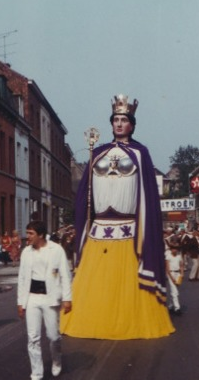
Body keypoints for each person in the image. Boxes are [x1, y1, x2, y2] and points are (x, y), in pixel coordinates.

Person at [61, 95, 174, 340]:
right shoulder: (98, 153)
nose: (119, 124)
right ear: (111, 124)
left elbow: (147, 195)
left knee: (126, 287)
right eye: (116, 120)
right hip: (100, 229)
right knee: (96, 285)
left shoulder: (140, 153)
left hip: (129, 230)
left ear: (132, 125)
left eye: (124, 120)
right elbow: (84, 193)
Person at [17, 220, 73, 380]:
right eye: (27, 233)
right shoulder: (26, 252)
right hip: (32, 297)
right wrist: (21, 302)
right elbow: (22, 278)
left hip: (50, 297)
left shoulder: (56, 250)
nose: (27, 237)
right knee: (33, 337)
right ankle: (36, 374)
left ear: (40, 235)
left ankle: (56, 360)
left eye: (30, 233)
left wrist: (67, 298)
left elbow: (65, 274)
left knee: (53, 336)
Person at [165, 244, 184, 314]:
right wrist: (171, 277)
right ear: (171, 249)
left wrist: (182, 274)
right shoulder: (168, 256)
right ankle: (177, 308)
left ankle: (170, 305)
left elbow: (181, 265)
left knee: (174, 290)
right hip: (171, 273)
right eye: (173, 249)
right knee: (175, 291)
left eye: (176, 249)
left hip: (177, 273)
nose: (174, 250)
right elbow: (167, 268)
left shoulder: (179, 256)